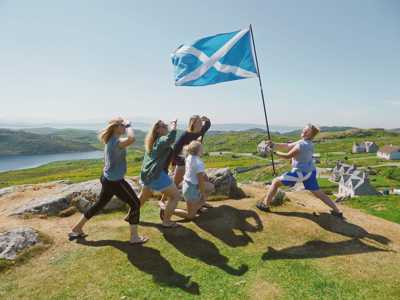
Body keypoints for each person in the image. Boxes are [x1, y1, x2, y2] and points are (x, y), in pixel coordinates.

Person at [69, 117, 148, 244]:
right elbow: (132, 139)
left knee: (100, 204)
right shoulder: (115, 142)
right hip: (114, 181)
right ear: (116, 127)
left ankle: (77, 228)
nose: (124, 127)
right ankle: (134, 237)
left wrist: (125, 126)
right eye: (122, 125)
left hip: (107, 178)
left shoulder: (112, 140)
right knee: (135, 204)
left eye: (124, 125)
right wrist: (129, 126)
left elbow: (127, 140)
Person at [256, 124, 344, 219]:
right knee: (318, 192)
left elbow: (288, 156)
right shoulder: (307, 142)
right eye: (304, 130)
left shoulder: (302, 145)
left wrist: (273, 152)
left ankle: (265, 205)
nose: (304, 131)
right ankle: (337, 211)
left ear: (310, 135)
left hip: (300, 173)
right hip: (310, 171)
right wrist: (274, 145)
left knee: (276, 182)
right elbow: (288, 146)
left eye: (306, 131)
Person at [139, 119, 181, 228]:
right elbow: (170, 139)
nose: (166, 126)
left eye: (166, 125)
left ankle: (130, 216)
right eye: (163, 126)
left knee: (143, 196)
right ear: (157, 130)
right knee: (175, 196)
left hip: (147, 174)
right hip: (156, 175)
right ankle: (166, 221)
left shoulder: (152, 140)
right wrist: (173, 127)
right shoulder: (162, 139)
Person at [172, 141, 215, 220]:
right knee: (190, 215)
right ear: (198, 151)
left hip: (189, 185)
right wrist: (202, 194)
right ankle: (167, 210)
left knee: (210, 187)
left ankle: (197, 207)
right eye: (202, 148)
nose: (203, 150)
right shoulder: (198, 163)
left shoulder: (189, 156)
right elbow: (200, 181)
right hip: (191, 190)